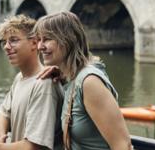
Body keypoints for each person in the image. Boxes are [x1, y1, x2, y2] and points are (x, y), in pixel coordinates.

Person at [35, 11, 131, 150]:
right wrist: (62, 76)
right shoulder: (72, 78)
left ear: (68, 40)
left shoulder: (89, 82)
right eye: (39, 40)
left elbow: (123, 145)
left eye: (47, 39)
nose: (40, 46)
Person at [0, 15, 63, 150]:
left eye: (13, 40)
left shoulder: (44, 83)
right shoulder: (19, 78)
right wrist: (1, 139)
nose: (6, 47)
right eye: (5, 42)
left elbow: (33, 146)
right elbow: (3, 113)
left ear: (34, 43)